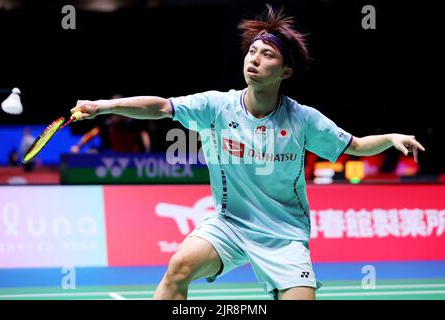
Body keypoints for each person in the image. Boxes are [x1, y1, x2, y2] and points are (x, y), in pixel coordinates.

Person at [70, 5, 425, 300]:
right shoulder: (216, 106)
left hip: (285, 234)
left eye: (267, 54)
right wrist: (102, 106)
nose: (254, 60)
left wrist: (391, 136)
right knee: (179, 267)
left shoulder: (303, 119)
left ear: (285, 70)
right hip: (230, 224)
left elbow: (357, 145)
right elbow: (161, 107)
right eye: (252, 51)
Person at [70, 94, 152, 154]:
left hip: (132, 156)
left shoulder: (131, 122)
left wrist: (147, 149)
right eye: (114, 112)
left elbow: (143, 134)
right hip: (115, 155)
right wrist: (78, 146)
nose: (116, 115)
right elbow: (92, 134)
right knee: (92, 152)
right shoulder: (108, 123)